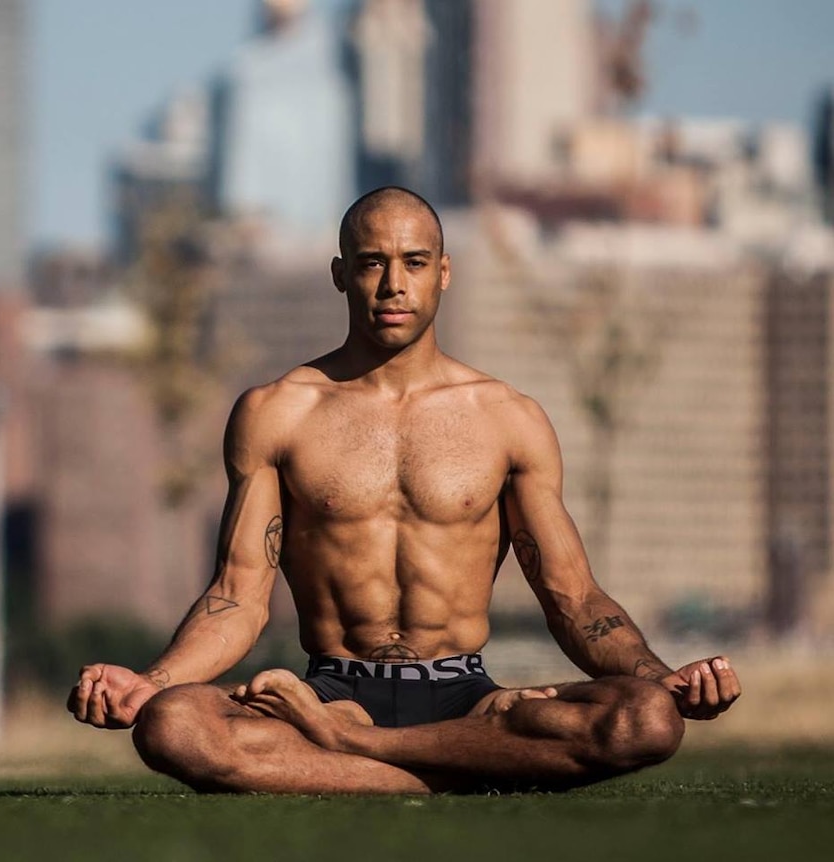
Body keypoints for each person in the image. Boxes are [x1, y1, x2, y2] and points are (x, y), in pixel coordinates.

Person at [68, 187, 741, 794]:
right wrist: (150, 683)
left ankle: (358, 758)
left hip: (464, 694)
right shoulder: (277, 412)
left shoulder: (507, 418)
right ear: (341, 275)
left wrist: (659, 678)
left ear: (443, 273)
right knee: (174, 725)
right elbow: (237, 595)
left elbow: (573, 596)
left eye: (415, 262)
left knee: (646, 719)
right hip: (330, 690)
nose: (394, 285)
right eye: (371, 263)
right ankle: (447, 768)